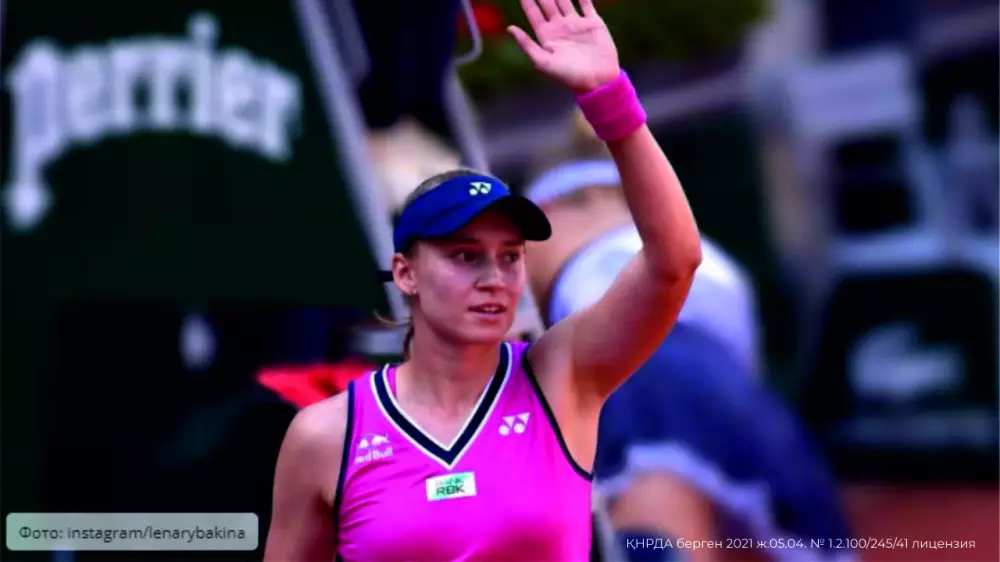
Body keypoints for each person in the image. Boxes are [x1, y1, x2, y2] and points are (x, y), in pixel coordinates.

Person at [263, 0, 702, 560]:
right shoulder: (325, 436)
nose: (494, 277)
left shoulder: (561, 377)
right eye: (465, 256)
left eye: (510, 256)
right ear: (405, 273)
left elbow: (674, 262)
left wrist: (608, 97)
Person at [523, 111, 856, 562]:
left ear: (547, 206)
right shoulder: (673, 227)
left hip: (642, 384)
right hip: (748, 402)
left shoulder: (545, 227)